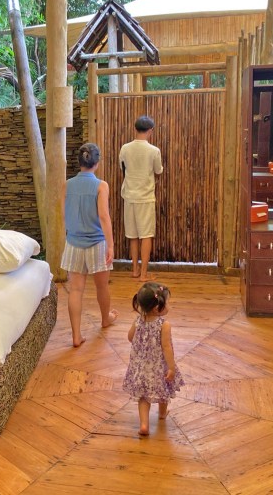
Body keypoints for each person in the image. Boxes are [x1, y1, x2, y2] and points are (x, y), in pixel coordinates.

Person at [61, 143, 118, 348]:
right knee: (101, 285)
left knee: (75, 290)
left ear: (80, 162)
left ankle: (76, 336)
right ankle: (105, 319)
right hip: (96, 243)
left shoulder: (67, 184)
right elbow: (104, 216)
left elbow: (64, 214)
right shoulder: (101, 185)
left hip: (74, 243)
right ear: (97, 162)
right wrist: (110, 245)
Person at [122, 281, 184, 436]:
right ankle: (162, 414)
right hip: (158, 366)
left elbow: (130, 337)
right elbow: (166, 347)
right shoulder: (164, 325)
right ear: (157, 307)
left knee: (143, 397)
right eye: (167, 303)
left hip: (141, 367)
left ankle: (144, 425)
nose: (169, 306)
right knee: (163, 390)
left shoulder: (138, 320)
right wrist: (171, 367)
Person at [119, 115, 163, 281]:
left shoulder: (125, 148)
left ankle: (135, 269)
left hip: (129, 196)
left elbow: (122, 167)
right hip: (145, 197)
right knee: (146, 235)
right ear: (150, 131)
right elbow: (158, 170)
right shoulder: (153, 150)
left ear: (135, 129)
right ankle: (144, 274)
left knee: (133, 235)